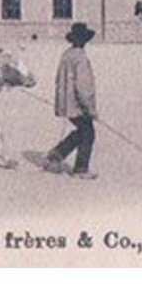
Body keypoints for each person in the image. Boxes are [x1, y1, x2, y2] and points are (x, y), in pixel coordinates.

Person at [43, 21, 99, 180]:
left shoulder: (67, 54)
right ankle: (81, 168)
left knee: (82, 131)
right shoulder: (81, 58)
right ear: (84, 41)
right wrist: (90, 109)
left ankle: (58, 153)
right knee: (88, 132)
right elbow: (83, 88)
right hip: (78, 105)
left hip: (66, 103)